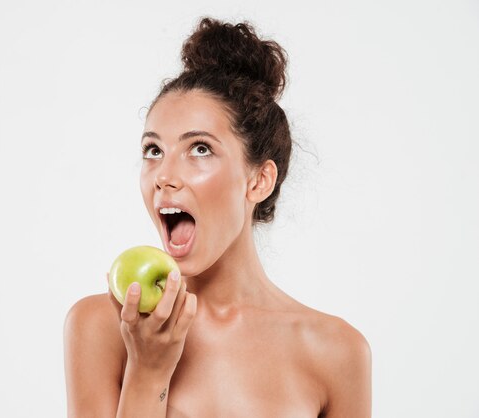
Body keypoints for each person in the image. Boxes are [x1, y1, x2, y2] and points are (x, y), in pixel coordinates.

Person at [64, 16, 371, 418]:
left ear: (259, 181)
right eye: (154, 151)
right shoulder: (101, 327)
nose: (164, 177)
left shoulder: (338, 352)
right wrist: (148, 371)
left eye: (200, 149)